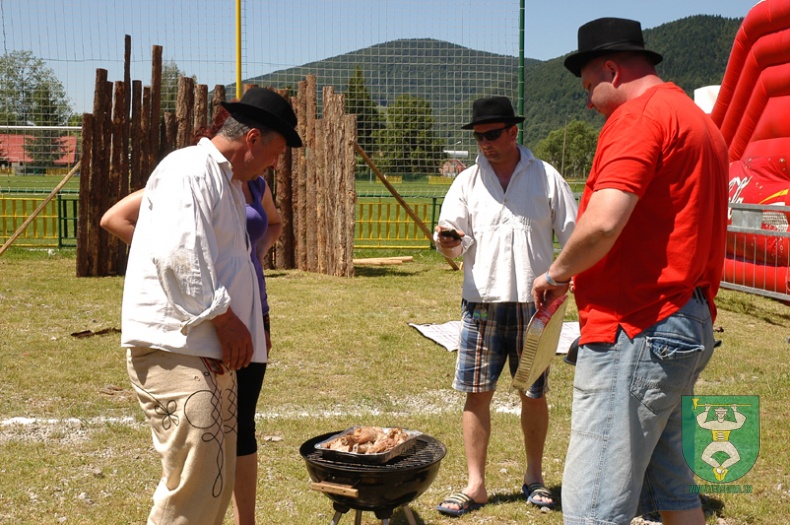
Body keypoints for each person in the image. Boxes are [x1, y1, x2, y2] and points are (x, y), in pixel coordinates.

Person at [531, 18, 729, 525]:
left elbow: (602, 223)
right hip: (685, 322)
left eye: (587, 91)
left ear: (612, 70)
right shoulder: (698, 121)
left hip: (638, 325)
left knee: (593, 503)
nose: (589, 104)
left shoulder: (639, 117)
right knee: (672, 483)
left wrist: (555, 276)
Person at [120, 87, 301, 525]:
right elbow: (180, 257)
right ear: (253, 138)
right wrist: (224, 319)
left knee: (212, 481)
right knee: (196, 481)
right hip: (178, 349)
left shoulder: (227, 183)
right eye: (276, 152)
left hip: (206, 349)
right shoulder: (188, 170)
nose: (276, 164)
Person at [434, 96, 577, 516]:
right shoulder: (465, 183)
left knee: (533, 393)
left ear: (514, 131)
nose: (485, 143)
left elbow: (573, 235)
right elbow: (452, 242)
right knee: (476, 393)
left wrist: (563, 281)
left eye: (492, 135)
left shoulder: (547, 177)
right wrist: (447, 242)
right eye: (479, 136)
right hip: (481, 304)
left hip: (536, 306)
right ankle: (475, 486)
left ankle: (534, 478)